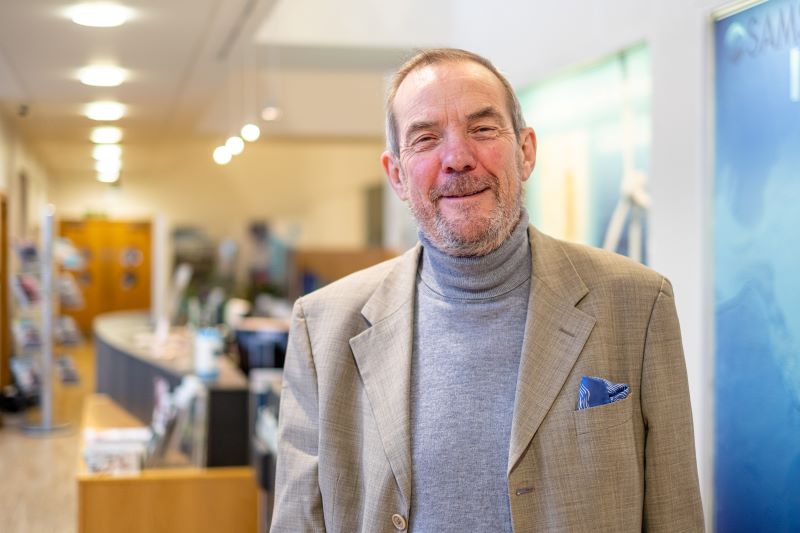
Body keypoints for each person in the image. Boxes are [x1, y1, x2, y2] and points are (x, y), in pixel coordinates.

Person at [270, 48, 704, 532]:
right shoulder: (323, 326)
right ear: (396, 175)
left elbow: (676, 514)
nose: (457, 158)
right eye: (426, 138)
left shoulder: (639, 305)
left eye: (481, 129)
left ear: (526, 152)